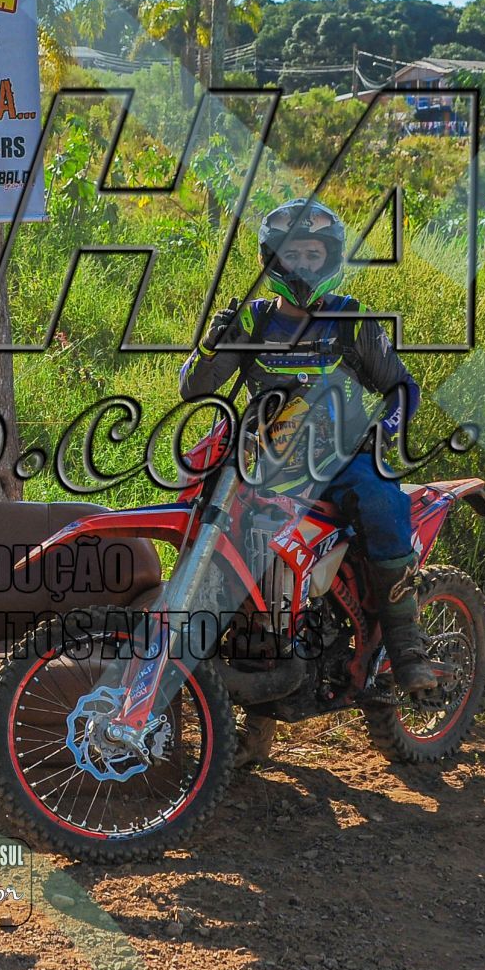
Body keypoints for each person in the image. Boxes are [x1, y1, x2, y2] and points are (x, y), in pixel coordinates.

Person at [179, 197, 436, 697]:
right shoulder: (252, 321)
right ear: (272, 258)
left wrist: (384, 432)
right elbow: (194, 388)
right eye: (292, 253)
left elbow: (402, 388)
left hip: (341, 458)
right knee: (214, 523)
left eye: (312, 254)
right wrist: (211, 344)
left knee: (382, 501)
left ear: (330, 258)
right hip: (264, 462)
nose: (302, 263)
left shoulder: (350, 320)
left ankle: (406, 648)